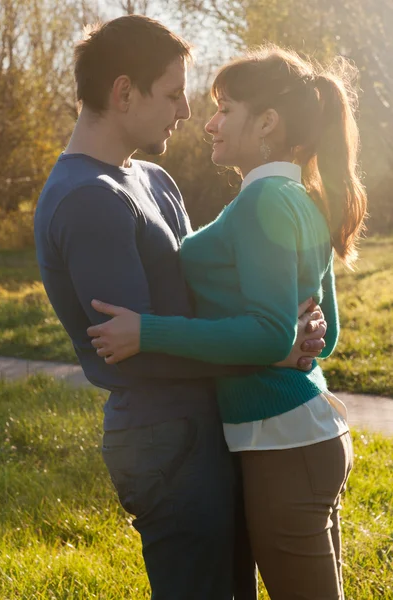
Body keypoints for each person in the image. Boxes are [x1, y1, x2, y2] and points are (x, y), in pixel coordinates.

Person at [34, 17, 327, 600]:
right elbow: (131, 354)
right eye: (172, 94)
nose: (187, 112)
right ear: (123, 92)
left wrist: (293, 317)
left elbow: (206, 299)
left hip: (211, 423)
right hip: (163, 439)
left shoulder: (154, 178)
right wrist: (269, 352)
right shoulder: (88, 199)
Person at [87, 44, 368, 599]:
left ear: (267, 122)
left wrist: (147, 330)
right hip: (304, 433)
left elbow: (271, 331)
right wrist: (288, 340)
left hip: (282, 440)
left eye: (225, 108)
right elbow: (324, 332)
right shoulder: (301, 197)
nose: (208, 122)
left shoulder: (263, 201)